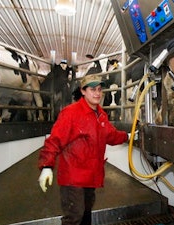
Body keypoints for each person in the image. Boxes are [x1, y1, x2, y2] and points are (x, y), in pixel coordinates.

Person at [38, 74, 129, 225]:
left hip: (91, 176)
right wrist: (47, 166)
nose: (97, 93)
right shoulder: (71, 113)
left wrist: (128, 136)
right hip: (73, 177)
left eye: (100, 89)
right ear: (83, 91)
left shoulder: (100, 114)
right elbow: (54, 140)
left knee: (86, 213)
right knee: (74, 217)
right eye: (93, 89)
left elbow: (111, 135)